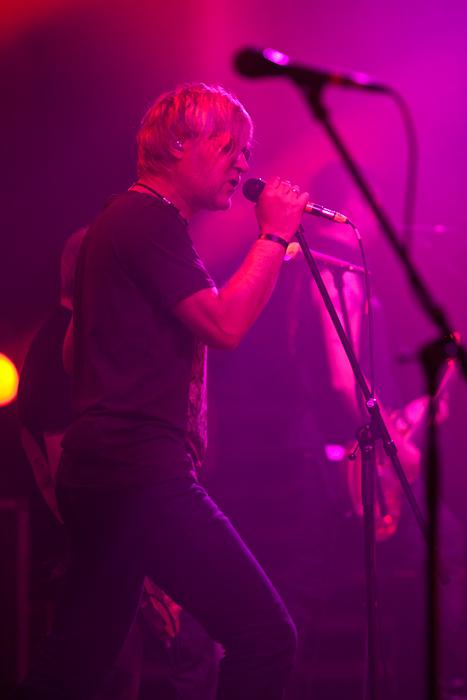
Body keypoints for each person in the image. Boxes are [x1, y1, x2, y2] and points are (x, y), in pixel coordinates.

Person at [18, 82, 310, 700]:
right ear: (179, 143)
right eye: (231, 147)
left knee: (74, 665)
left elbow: (75, 354)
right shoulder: (148, 220)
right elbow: (225, 326)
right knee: (265, 638)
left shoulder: (118, 223)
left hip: (102, 472)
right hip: (138, 473)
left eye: (247, 151)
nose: (244, 163)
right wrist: (273, 236)